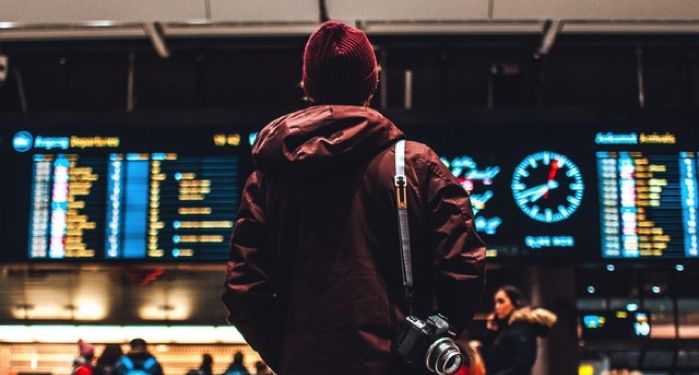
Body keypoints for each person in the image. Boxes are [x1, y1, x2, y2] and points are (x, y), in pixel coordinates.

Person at [221, 20, 486, 375]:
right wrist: (424, 341)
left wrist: (291, 354)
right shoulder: (416, 165)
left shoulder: (270, 177)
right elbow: (463, 265)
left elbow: (243, 291)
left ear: (307, 85)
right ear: (372, 82)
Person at [481, 285, 558, 375]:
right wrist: (491, 332)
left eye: (501, 302)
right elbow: (487, 361)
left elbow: (521, 367)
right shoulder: (505, 329)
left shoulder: (520, 329)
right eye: (495, 302)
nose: (497, 306)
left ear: (515, 303)